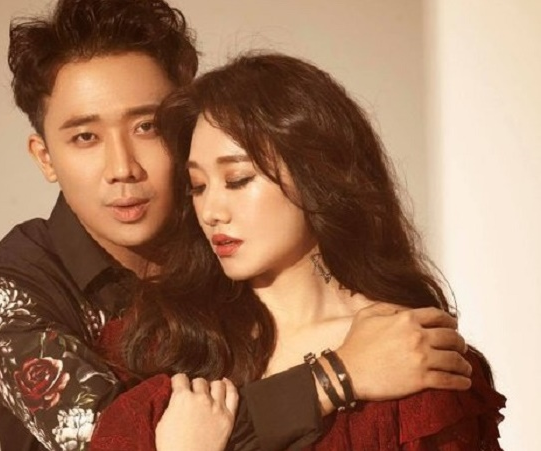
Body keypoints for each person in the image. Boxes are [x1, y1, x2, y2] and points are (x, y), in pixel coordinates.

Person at [0, 1, 475, 450]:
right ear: (45, 157)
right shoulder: (9, 289)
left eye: (148, 126)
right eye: (85, 138)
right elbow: (129, 440)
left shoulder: (227, 262)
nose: (123, 168)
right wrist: (336, 376)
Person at [90, 53, 506, 450]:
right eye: (197, 186)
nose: (211, 211)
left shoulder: (414, 353)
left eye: (237, 180)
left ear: (317, 177)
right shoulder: (165, 341)